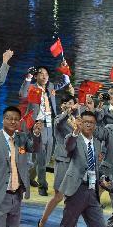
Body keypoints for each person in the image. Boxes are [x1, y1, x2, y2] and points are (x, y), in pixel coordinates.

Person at [36, 95, 85, 227]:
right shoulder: (59, 119)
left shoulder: (78, 119)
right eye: (65, 103)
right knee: (59, 196)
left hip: (75, 160)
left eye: (71, 103)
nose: (69, 105)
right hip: (62, 160)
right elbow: (59, 123)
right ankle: (42, 222)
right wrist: (69, 111)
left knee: (74, 198)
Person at [20, 64, 71, 196]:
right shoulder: (32, 88)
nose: (44, 76)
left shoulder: (50, 87)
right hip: (38, 125)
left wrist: (65, 69)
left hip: (50, 125)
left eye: (46, 74)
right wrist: (28, 77)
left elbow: (65, 82)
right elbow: (22, 93)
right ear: (36, 76)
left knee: (46, 158)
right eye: (41, 74)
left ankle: (30, 177)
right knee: (41, 157)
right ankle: (43, 187)